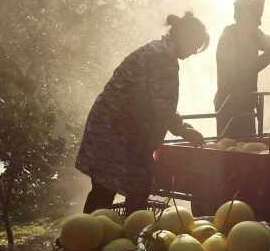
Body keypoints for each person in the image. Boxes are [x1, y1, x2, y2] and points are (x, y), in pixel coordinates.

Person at [76, 12, 208, 214]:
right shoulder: (162, 57)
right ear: (185, 38)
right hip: (114, 130)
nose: (193, 53)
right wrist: (184, 129)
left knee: (111, 187)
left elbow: (157, 102)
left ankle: (102, 236)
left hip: (114, 127)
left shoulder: (157, 50)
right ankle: (103, 238)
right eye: (194, 46)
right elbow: (162, 105)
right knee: (118, 188)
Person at [214, 0, 270, 138]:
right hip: (229, 104)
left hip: (247, 102)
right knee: (231, 148)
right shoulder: (228, 38)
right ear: (244, 17)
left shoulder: (253, 34)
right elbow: (236, 74)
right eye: (257, 17)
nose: (260, 23)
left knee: (247, 145)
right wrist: (267, 56)